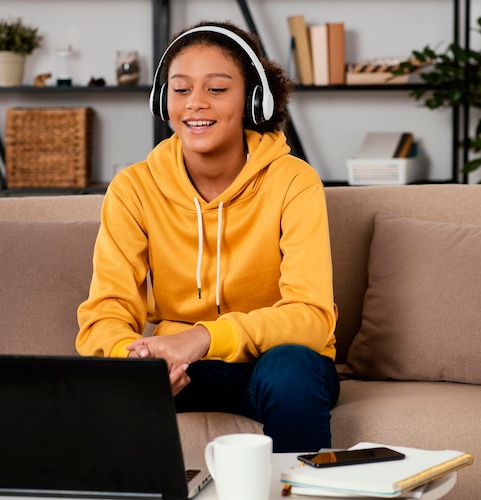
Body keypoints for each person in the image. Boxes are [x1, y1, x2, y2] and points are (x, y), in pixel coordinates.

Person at [76, 20, 339, 452]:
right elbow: (105, 312)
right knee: (97, 388)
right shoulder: (133, 189)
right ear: (164, 101)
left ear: (254, 100)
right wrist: (137, 358)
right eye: (180, 90)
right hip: (180, 366)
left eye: (217, 89)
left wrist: (202, 337)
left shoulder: (294, 181)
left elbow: (311, 316)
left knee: (289, 369)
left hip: (273, 363)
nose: (195, 104)